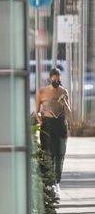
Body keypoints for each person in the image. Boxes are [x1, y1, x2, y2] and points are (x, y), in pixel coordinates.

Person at [36, 68, 71, 198]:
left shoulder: (64, 91)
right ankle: (48, 184)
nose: (56, 80)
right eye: (54, 78)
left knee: (60, 154)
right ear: (50, 78)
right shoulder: (42, 92)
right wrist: (40, 120)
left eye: (58, 78)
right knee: (47, 153)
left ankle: (57, 183)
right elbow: (37, 110)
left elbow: (69, 111)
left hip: (60, 125)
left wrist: (65, 103)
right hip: (47, 125)